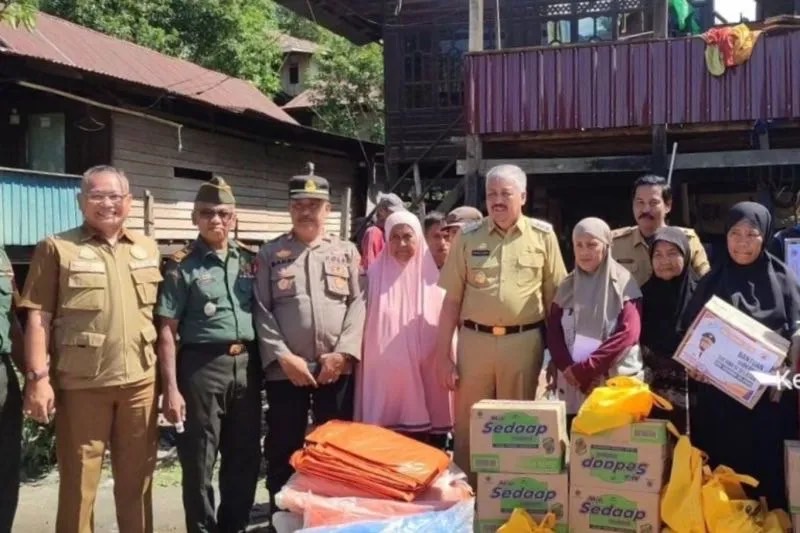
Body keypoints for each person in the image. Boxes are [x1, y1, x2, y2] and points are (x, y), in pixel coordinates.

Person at [20, 165, 162, 533]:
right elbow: (38, 318)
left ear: (128, 202)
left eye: (115, 196)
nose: (107, 204)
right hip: (82, 385)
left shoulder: (147, 248)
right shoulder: (57, 248)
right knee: (79, 486)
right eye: (97, 196)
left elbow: (160, 320)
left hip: (140, 384)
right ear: (81, 201)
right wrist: (38, 378)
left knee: (138, 483)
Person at [435, 164, 567, 480]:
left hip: (524, 343)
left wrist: (557, 357)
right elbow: (451, 301)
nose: (497, 200)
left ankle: (511, 493)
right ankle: (469, 496)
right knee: (469, 424)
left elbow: (556, 303)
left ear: (522, 196)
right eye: (491, 193)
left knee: (518, 423)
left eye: (505, 194)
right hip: (474, 343)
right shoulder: (467, 237)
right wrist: (442, 357)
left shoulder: (543, 236)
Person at [254, 170, 365, 515]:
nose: (306, 212)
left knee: (337, 446)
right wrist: (283, 357)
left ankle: (334, 515)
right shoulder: (271, 253)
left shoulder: (345, 252)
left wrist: (344, 353)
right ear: (289, 209)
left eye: (314, 205)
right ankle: (282, 515)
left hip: (335, 369)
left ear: (327, 210)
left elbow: (359, 303)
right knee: (284, 445)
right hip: (287, 371)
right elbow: (260, 308)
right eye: (299, 205)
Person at [155, 177, 262, 533]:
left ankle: (235, 527)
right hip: (202, 367)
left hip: (247, 366)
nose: (215, 220)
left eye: (223, 214)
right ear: (194, 218)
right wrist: (170, 388)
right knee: (200, 461)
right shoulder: (181, 265)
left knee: (244, 457)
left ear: (233, 218)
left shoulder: (250, 260)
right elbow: (167, 331)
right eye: (207, 214)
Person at [680, 201, 800, 511]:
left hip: (767, 402)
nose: (742, 243)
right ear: (725, 236)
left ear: (765, 237)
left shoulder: (784, 280)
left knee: (767, 469)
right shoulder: (711, 282)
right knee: (724, 468)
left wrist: (785, 365)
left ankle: (771, 519)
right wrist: (694, 365)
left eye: (752, 234)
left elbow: (796, 335)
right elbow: (691, 337)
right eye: (735, 233)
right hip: (719, 401)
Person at [356, 211, 453, 448]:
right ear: (386, 240)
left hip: (426, 376)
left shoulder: (434, 279)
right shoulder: (372, 277)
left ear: (418, 239)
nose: (401, 244)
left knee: (425, 449)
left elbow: (445, 327)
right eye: (395, 237)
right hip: (383, 382)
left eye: (408, 237)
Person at [546, 218, 642, 426]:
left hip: (611, 381)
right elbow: (553, 332)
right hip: (571, 383)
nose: (584, 252)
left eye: (592, 244)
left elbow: (628, 334)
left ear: (606, 246)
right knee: (575, 442)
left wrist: (588, 369)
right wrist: (568, 368)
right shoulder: (567, 286)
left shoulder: (624, 283)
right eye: (578, 245)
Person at [640, 227, 698, 434]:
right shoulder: (641, 297)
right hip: (653, 391)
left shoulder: (702, 294)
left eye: (672, 253)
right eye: (658, 254)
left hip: (695, 391)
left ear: (686, 254)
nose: (665, 261)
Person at [612, 174, 710, 287]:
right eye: (640, 202)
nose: (645, 209)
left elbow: (707, 282)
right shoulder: (615, 242)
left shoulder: (687, 239)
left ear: (668, 206)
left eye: (653, 203)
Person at [0, 252, 24, 532]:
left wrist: (33, 376)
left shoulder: (2, 257)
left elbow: (12, 321)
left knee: (5, 472)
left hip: (3, 373)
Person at [360, 193, 405, 270]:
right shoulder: (374, 233)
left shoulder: (389, 232)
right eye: (394, 213)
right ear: (382, 211)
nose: (397, 216)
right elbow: (370, 266)